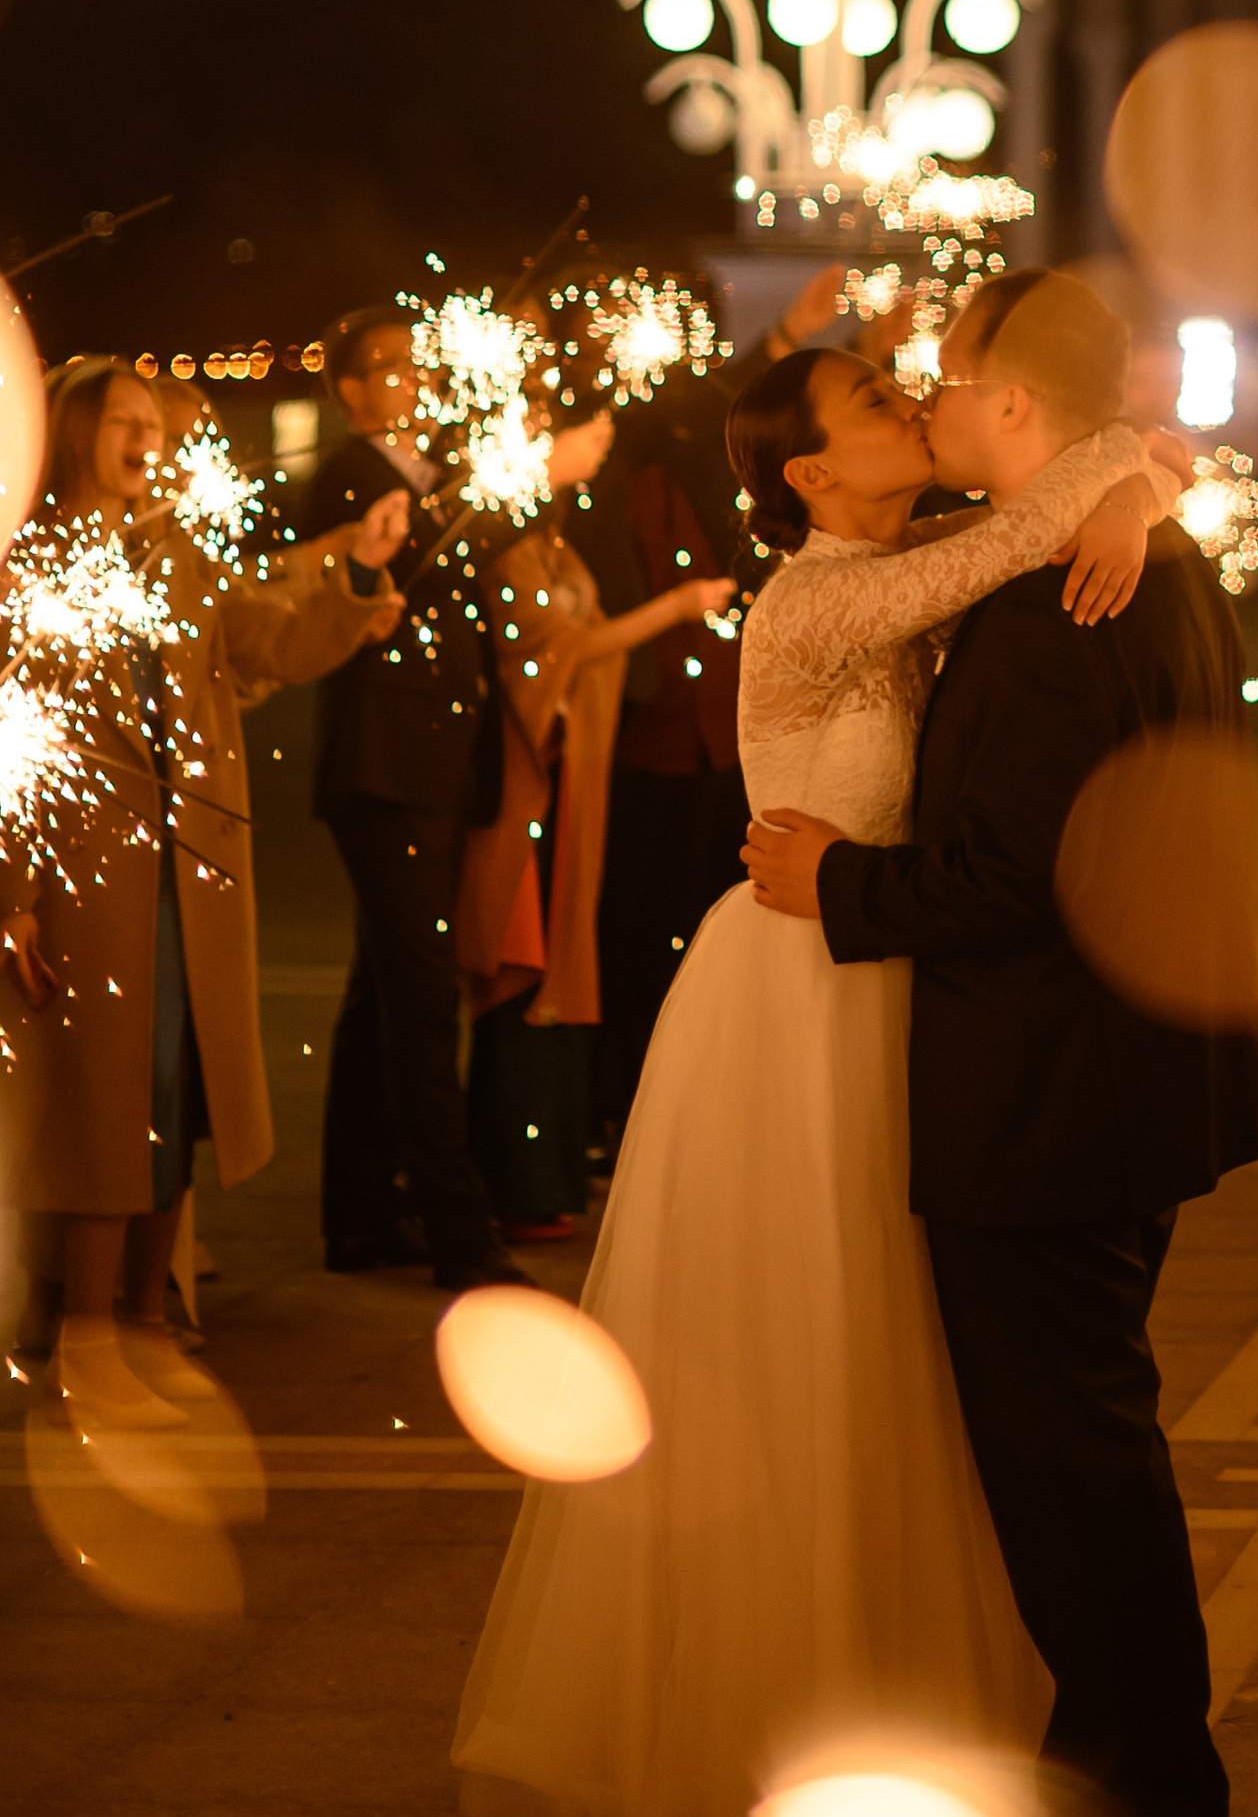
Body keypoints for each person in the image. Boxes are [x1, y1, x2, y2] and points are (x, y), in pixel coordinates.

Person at [452, 342, 1185, 1817]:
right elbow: (1014, 530)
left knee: (916, 1362)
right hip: (801, 988)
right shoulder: (815, 595)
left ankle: (950, 1722)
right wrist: (1109, 477)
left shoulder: (906, 553)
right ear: (806, 473)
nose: (912, 409)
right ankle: (777, 1736)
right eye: (874, 406)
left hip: (899, 971)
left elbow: (1069, 487)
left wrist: (1128, 486)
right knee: (802, 1355)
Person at [747, 270, 1258, 1817]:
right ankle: (1138, 1770)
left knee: (1072, 1464)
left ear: (1018, 409)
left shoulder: (1064, 609)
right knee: (1090, 1443)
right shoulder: (1122, 550)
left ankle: (1142, 1801)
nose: (933, 395)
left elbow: (1002, 881)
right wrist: (1125, 468)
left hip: (1054, 1090)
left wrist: (836, 877)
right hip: (1122, 1074)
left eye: (954, 377)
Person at [0, 359, 404, 1426]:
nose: (144, 438)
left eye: (151, 422)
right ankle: (85, 1336)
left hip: (191, 865)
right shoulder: (32, 560)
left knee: (172, 1097)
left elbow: (269, 637)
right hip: (88, 870)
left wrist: (356, 578)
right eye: (122, 421)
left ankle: (145, 1316)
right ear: (76, 430)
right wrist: (16, 889)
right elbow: (16, 736)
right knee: (101, 1106)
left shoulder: (175, 551)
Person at [584, 265, 858, 1151]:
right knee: (633, 931)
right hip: (646, 731)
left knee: (708, 921)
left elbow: (719, 415)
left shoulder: (697, 446)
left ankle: (693, 1100)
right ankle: (624, 1104)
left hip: (718, 731)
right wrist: (783, 339)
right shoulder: (612, 443)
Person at [458, 413, 735, 1240]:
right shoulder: (509, 549)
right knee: (528, 973)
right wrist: (677, 606)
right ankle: (516, 1176)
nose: (602, 437)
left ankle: (540, 1170)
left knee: (560, 970)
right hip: (532, 783)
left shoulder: (548, 538)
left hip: (569, 781)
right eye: (581, 429)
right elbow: (557, 653)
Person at [294, 303, 521, 1292]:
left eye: (413, 362)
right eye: (384, 367)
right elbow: (410, 566)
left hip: (425, 762)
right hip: (385, 764)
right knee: (423, 1001)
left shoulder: (432, 474)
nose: (409, 378)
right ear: (347, 391)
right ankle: (460, 1233)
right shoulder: (352, 476)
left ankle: (360, 1213)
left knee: (380, 992)